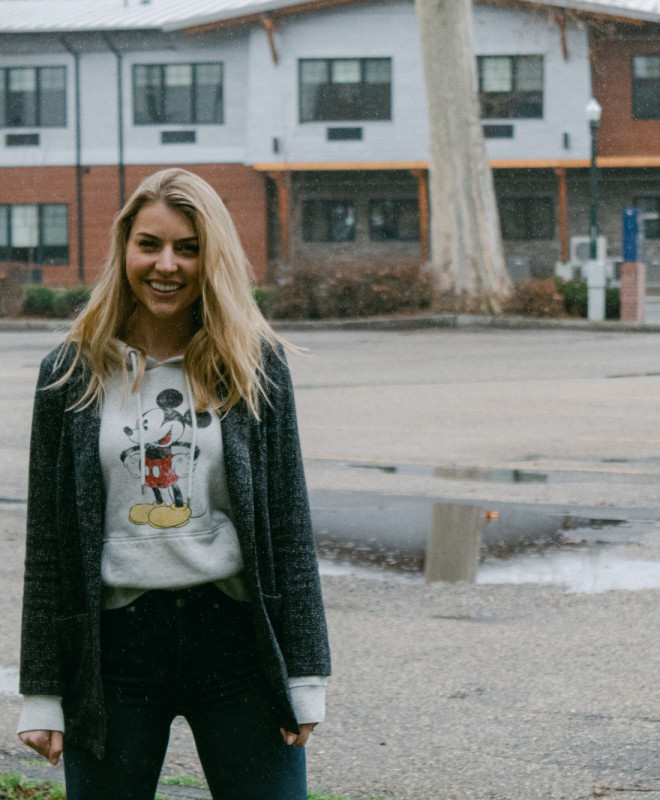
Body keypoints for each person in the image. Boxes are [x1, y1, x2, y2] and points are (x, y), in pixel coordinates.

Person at [17, 168, 331, 800]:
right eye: (150, 245)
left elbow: (289, 521)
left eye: (188, 248)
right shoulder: (71, 372)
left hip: (237, 642)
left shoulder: (253, 363)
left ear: (211, 257)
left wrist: (306, 672)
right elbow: (49, 542)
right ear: (124, 249)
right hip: (116, 652)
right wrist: (43, 692)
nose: (167, 265)